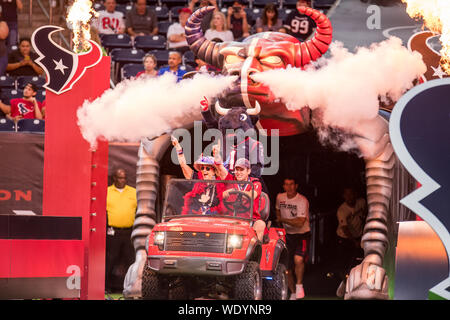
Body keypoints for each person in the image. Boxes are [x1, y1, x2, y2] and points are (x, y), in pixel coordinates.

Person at [275, 177, 310, 300]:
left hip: (302, 234)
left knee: (298, 260)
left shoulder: (302, 200)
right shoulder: (280, 197)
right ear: (283, 186)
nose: (289, 187)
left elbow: (300, 222)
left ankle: (299, 284)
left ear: (296, 186)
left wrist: (282, 220)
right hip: (287, 235)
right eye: (286, 184)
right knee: (287, 266)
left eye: (291, 184)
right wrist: (280, 225)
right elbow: (277, 210)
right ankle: (293, 292)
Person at [172, 136, 224, 215]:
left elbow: (221, 169)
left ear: (214, 171)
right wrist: (178, 148)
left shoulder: (221, 184)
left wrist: (217, 154)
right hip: (196, 219)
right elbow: (183, 165)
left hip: (214, 221)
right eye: (202, 168)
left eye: (207, 168)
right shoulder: (196, 180)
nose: (204, 170)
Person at [105, 168, 137, 293]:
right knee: (110, 260)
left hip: (129, 232)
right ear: (114, 178)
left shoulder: (133, 192)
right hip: (113, 232)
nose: (123, 180)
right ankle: (106, 287)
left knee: (130, 260)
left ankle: (132, 287)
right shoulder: (107, 192)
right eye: (120, 177)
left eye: (124, 177)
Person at [335, 186, 367, 297]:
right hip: (344, 239)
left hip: (359, 237)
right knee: (344, 265)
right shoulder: (342, 210)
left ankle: (355, 287)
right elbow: (345, 229)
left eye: (351, 194)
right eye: (347, 195)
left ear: (355, 194)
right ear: (344, 196)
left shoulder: (362, 202)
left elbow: (366, 215)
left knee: (357, 263)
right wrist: (354, 241)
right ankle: (344, 283)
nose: (349, 197)